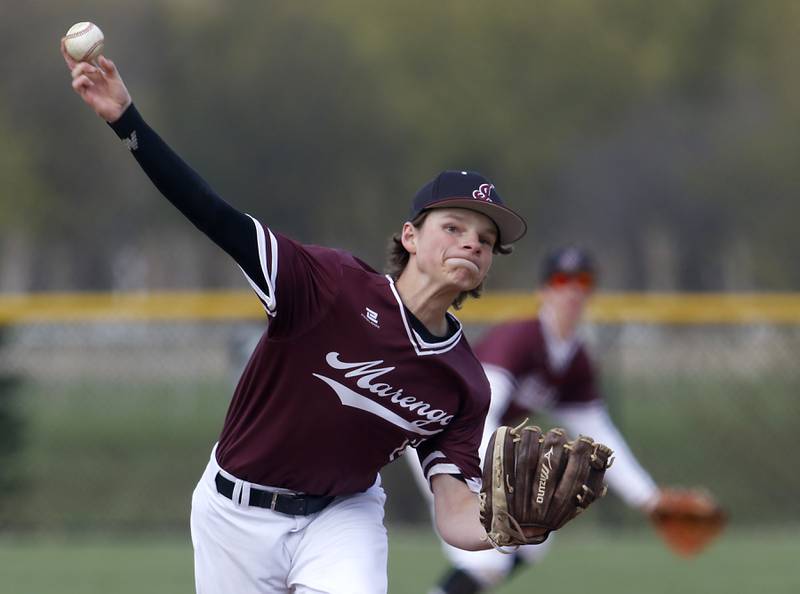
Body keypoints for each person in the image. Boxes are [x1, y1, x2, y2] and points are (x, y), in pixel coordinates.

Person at [61, 41, 530, 594]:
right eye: (454, 227)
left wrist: (511, 524)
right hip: (232, 514)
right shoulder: (326, 285)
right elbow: (213, 214)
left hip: (342, 517)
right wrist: (126, 120)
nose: (471, 243)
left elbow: (453, 515)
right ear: (410, 236)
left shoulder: (463, 384)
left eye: (485, 240)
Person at [410, 245, 665, 594]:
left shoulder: (573, 359)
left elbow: (598, 432)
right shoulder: (521, 338)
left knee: (532, 536)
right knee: (491, 552)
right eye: (562, 279)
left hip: (468, 444)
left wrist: (649, 499)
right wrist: (497, 473)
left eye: (582, 281)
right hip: (441, 436)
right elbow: (479, 410)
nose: (572, 290)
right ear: (543, 290)